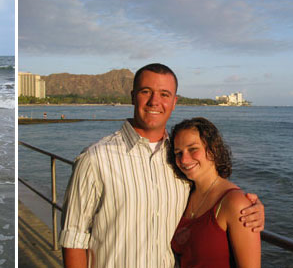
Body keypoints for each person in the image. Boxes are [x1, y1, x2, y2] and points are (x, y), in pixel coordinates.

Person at [59, 63, 264, 268]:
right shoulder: (95, 158)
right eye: (146, 91)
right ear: (133, 96)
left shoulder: (178, 161)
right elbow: (74, 236)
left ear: (174, 102)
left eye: (164, 94)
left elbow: (210, 193)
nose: (154, 101)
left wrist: (248, 207)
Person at [168, 117, 260, 267]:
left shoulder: (235, 203)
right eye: (178, 153)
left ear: (213, 150)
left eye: (193, 149)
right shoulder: (185, 194)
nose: (184, 160)